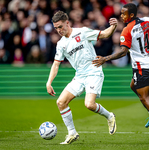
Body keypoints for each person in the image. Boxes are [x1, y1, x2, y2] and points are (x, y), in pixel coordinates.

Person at [92, 3, 149, 143]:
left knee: (145, 97)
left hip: (142, 66)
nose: (121, 16)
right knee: (133, 86)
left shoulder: (127, 30)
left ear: (131, 15)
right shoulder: (148, 20)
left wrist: (105, 59)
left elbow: (123, 52)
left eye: (123, 14)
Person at [46, 11, 117, 145]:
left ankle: (110, 116)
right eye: (56, 28)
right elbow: (56, 64)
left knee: (89, 104)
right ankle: (72, 133)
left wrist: (113, 26)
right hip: (79, 76)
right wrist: (49, 82)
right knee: (61, 102)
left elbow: (105, 34)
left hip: (94, 71)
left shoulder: (82, 32)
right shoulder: (61, 44)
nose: (58, 30)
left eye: (60, 26)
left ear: (67, 23)